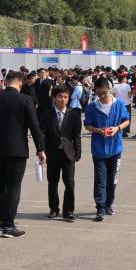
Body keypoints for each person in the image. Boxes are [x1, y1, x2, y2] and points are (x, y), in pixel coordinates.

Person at [0, 71, 44, 237]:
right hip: (17, 149)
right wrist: (40, 148)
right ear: (20, 84)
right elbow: (34, 126)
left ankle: (2, 220)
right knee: (14, 186)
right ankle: (9, 225)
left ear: (5, 82)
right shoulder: (26, 100)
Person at [83, 78, 131, 222]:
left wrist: (117, 128)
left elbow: (126, 120)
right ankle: (100, 207)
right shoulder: (92, 107)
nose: (102, 96)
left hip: (116, 148)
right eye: (98, 93)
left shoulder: (119, 104)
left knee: (112, 179)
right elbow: (87, 125)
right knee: (100, 179)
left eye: (104, 93)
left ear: (109, 89)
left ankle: (109, 204)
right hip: (99, 149)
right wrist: (99, 130)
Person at [40, 84, 82, 221]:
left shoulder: (74, 114)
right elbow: (42, 134)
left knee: (69, 182)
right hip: (52, 153)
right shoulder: (47, 114)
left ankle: (68, 211)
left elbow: (77, 136)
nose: (63, 100)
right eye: (60, 97)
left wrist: (78, 153)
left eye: (65, 97)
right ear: (54, 98)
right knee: (52, 182)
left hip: (68, 153)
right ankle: (53, 208)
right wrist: (41, 150)